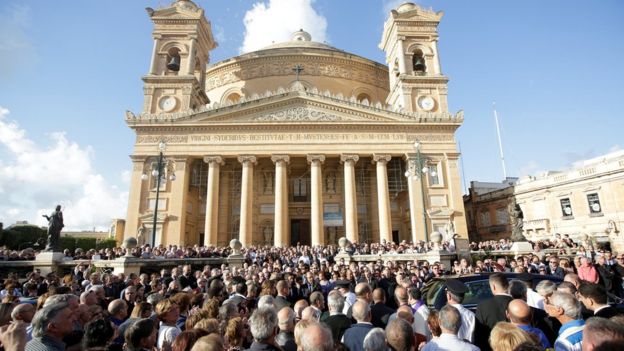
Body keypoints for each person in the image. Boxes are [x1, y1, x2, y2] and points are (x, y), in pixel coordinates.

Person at [474, 273, 512, 351]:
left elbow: (479, 335)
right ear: (507, 285)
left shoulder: (483, 306)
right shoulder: (517, 304)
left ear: (493, 287)